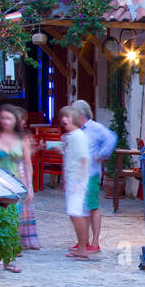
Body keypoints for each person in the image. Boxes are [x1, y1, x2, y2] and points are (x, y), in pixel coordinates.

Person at [0, 104, 39, 268]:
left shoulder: (22, 139)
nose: (5, 121)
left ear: (15, 120)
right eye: (2, 117)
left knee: (12, 221)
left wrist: (29, 187)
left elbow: (28, 163)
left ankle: (8, 258)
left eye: (8, 118)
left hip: (15, 185)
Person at [72, 99, 116, 253]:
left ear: (80, 113)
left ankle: (95, 242)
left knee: (92, 207)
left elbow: (111, 138)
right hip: (79, 175)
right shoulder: (77, 130)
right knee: (81, 208)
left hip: (91, 174)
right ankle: (82, 241)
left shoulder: (95, 128)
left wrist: (101, 154)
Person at [58, 105, 93, 259]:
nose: (63, 120)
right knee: (78, 213)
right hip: (75, 180)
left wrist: (78, 181)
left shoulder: (77, 136)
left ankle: (82, 247)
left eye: (66, 116)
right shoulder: (73, 136)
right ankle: (82, 245)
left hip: (77, 181)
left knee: (75, 213)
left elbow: (84, 159)